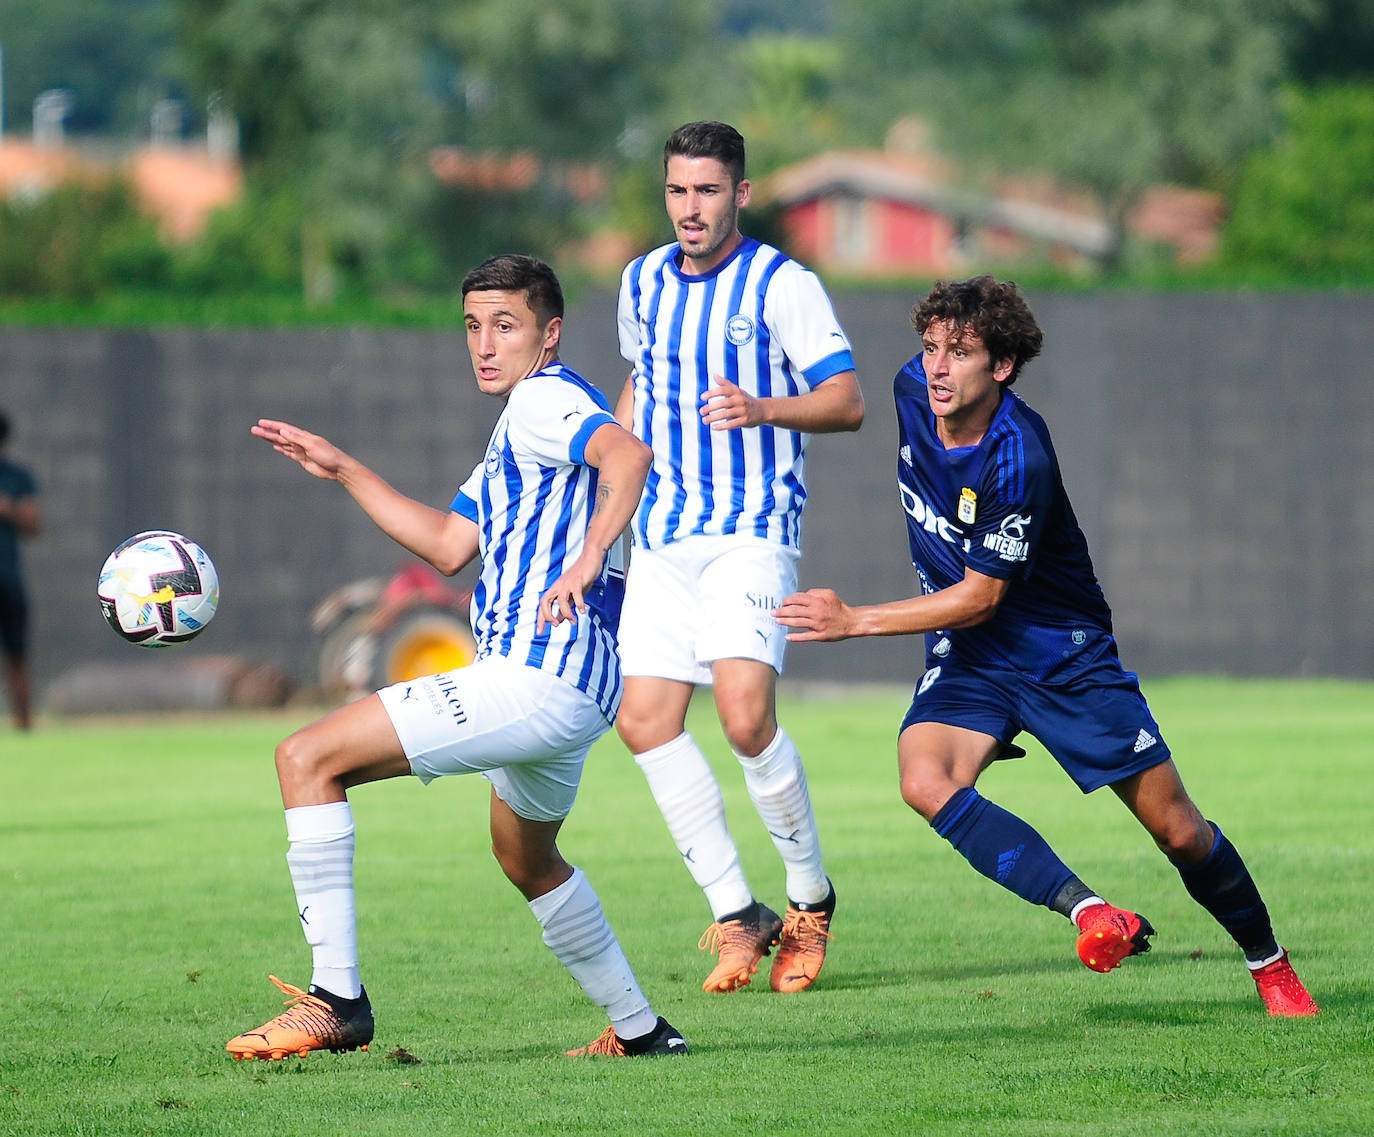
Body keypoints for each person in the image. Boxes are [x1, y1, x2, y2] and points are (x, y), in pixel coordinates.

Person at [775, 274, 1318, 1017]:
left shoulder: (1016, 453)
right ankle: (1092, 912)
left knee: (1179, 828)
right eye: (930, 347)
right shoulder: (911, 390)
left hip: (1060, 654)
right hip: (972, 656)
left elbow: (981, 595)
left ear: (1000, 366)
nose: (936, 366)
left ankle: (1271, 964)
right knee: (924, 778)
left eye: (959, 352)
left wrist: (853, 619)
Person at [227, 254, 688, 1061]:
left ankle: (336, 999)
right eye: (473, 325)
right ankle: (642, 1029)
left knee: (305, 757)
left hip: (536, 673)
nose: (484, 343)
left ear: (549, 334)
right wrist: (344, 469)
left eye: (504, 325)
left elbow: (631, 458)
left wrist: (585, 561)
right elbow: (449, 544)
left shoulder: (544, 400)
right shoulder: (527, 420)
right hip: (578, 686)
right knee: (526, 856)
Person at [613, 121, 865, 995]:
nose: (691, 207)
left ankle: (809, 900)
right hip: (661, 536)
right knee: (643, 719)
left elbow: (846, 401)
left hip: (751, 528)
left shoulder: (782, 284)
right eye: (679, 190)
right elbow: (639, 388)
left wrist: (762, 408)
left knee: (745, 716)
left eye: (709, 190)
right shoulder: (641, 280)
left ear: (741, 195)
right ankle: (737, 911)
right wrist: (612, 487)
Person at [0, 411, 40, 732]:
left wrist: (7, 509)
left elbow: (33, 525)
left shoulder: (17, 476)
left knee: (17, 657)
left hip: (7, 581)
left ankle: (25, 730)